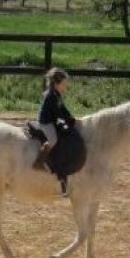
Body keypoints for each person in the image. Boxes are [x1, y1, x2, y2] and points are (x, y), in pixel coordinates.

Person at [36, 67, 79, 196]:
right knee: (53, 140)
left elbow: (63, 109)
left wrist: (71, 119)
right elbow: (58, 112)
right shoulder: (51, 96)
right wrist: (69, 120)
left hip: (52, 120)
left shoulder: (56, 94)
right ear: (57, 83)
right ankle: (40, 161)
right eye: (64, 84)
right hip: (46, 122)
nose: (65, 87)